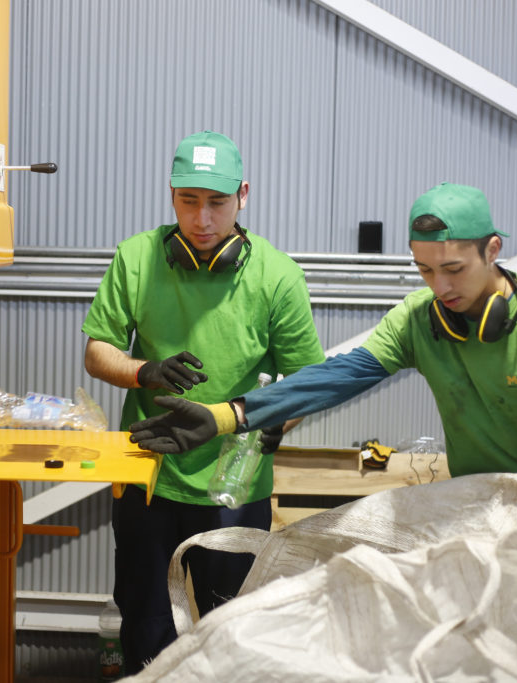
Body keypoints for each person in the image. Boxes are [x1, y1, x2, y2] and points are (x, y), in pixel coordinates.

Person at [129, 181, 517, 556]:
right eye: (424, 270)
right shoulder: (420, 320)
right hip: (478, 504)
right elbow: (336, 377)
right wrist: (225, 416)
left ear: (493, 250)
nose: (440, 287)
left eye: (454, 269)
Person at [82, 130, 325, 673]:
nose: (202, 219)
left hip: (232, 481)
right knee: (145, 625)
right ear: (171, 195)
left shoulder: (277, 276)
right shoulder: (136, 258)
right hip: (148, 475)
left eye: (217, 202)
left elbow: (307, 380)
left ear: (243, 196)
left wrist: (273, 420)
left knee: (229, 627)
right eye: (188, 201)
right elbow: (97, 352)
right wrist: (143, 370)